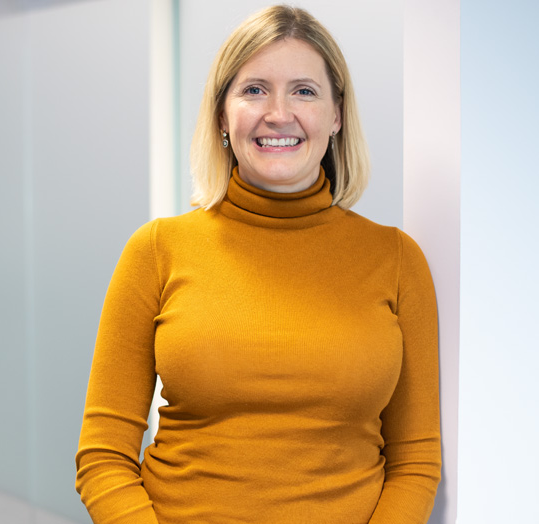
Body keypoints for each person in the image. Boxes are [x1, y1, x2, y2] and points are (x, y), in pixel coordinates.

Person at [74, 5, 441, 524]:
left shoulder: (397, 260)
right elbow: (103, 455)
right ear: (222, 114)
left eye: (304, 91)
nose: (278, 112)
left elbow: (415, 461)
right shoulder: (157, 250)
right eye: (254, 90)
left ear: (336, 115)